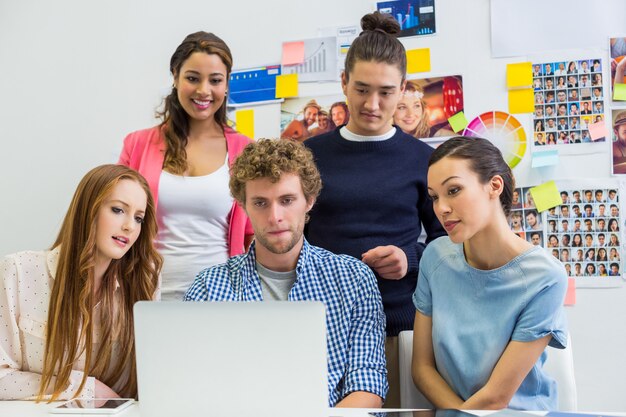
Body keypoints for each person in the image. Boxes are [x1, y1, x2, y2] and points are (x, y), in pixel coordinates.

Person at [304, 11, 446, 407]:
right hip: (318, 326)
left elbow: (449, 242)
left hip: (398, 327)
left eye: (385, 91)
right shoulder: (308, 156)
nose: (372, 103)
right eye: (362, 89)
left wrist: (409, 257)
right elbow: (287, 234)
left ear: (403, 89)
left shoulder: (424, 159)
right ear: (344, 82)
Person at [184, 139, 387, 408]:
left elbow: (368, 384)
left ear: (309, 201)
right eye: (260, 203)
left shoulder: (353, 279)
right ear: (243, 207)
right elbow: (194, 385)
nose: (275, 216)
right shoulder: (209, 288)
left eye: (287, 200)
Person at [412, 136, 567, 410]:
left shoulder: (545, 277)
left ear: (494, 185)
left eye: (454, 190)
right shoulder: (435, 258)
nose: (441, 208)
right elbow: (423, 369)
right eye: (434, 197)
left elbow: (497, 396)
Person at [0, 165, 162, 401]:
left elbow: (153, 382)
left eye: (139, 218)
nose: (130, 226)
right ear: (88, 210)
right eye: (118, 210)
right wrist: (85, 389)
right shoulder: (18, 271)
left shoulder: (145, 281)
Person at [118, 31, 253, 301]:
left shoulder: (246, 150)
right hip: (145, 294)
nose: (204, 90)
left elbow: (252, 235)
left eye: (215, 80)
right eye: (192, 78)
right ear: (175, 76)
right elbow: (115, 219)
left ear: (226, 85)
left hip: (221, 298)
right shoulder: (137, 144)